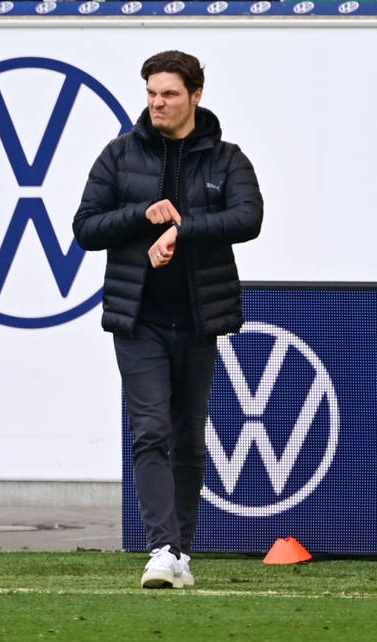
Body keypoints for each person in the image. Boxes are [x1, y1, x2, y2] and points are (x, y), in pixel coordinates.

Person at [73, 51, 263, 588]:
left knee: (187, 439)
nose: (157, 103)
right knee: (150, 431)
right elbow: (85, 228)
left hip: (199, 321)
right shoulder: (118, 155)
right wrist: (142, 214)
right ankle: (162, 548)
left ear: (196, 95)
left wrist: (183, 229)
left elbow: (249, 218)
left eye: (169, 94)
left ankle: (181, 551)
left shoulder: (227, 159)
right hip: (138, 320)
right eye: (151, 93)